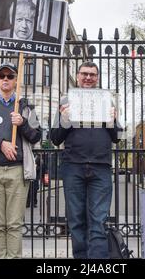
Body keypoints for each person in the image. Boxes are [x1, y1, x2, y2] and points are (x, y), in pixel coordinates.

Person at [50, 61, 121, 259]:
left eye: (92, 74)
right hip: (73, 166)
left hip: (101, 167)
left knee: (98, 220)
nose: (88, 77)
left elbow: (117, 137)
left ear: (97, 77)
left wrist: (113, 120)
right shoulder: (66, 101)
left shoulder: (109, 101)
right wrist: (64, 119)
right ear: (78, 75)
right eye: (84, 74)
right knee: (76, 220)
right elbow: (55, 138)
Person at [0, 62, 41, 259]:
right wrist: (1, 143)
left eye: (10, 76)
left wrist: (23, 124)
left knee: (14, 224)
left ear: (16, 80)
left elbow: (37, 136)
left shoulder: (25, 106)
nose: (5, 79)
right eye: (2, 75)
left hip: (18, 171)